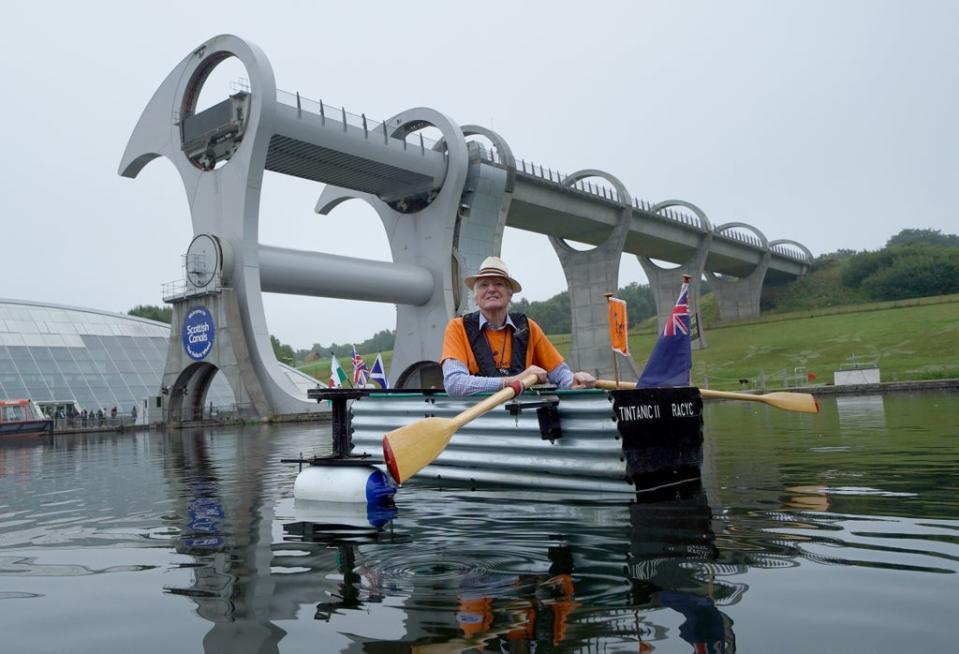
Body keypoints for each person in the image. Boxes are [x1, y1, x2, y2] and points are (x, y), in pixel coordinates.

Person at [441, 256, 596, 396]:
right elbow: (454, 384)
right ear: (475, 298)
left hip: (522, 419)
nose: (491, 289)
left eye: (499, 283)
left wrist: (573, 380)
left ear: (510, 295)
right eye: (483, 285)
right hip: (479, 419)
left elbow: (561, 374)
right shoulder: (457, 327)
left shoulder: (528, 327)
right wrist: (514, 380)